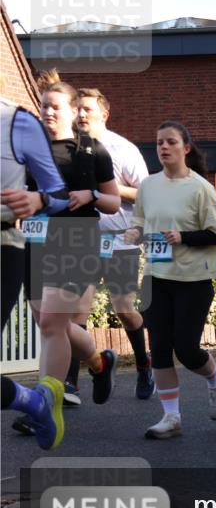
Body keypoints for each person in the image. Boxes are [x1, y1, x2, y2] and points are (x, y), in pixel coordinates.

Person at [125, 121, 216, 439]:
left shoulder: (201, 188)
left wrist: (182, 236)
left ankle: (215, 378)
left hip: (193, 279)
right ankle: (171, 417)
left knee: (185, 349)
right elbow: (140, 219)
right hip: (155, 276)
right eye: (159, 143)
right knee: (158, 347)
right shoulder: (148, 185)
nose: (163, 147)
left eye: (170, 142)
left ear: (185, 148)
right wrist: (134, 231)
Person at [30, 71, 120, 408]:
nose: (48, 112)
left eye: (55, 107)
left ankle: (44, 405)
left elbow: (113, 202)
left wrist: (91, 194)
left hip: (78, 239)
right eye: (44, 107)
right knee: (48, 322)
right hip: (37, 241)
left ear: (72, 111)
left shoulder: (92, 151)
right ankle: (100, 363)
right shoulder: (28, 150)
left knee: (53, 321)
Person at [69, 88, 154, 403]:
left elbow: (146, 194)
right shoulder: (70, 148)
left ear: (104, 114)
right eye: (77, 108)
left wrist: (108, 189)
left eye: (87, 109)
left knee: (125, 309)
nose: (80, 114)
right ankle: (70, 384)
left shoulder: (123, 149)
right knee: (76, 312)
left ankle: (144, 365)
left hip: (119, 241)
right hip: (83, 241)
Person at [1, 97, 69, 449]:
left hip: (3, 247)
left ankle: (38, 401)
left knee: (51, 321)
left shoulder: (18, 123)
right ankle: (34, 402)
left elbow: (59, 193)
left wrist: (38, 200)